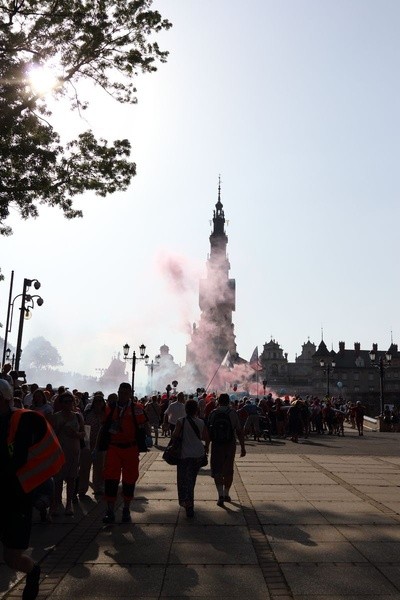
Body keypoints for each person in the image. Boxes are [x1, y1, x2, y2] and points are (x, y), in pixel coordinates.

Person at [0, 379, 64, 600]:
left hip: (17, 496)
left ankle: (33, 571)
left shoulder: (22, 420)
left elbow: (19, 458)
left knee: (12, 558)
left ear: (3, 398)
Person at [99, 382, 147, 524]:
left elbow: (143, 425)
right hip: (113, 448)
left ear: (130, 394)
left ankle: (126, 509)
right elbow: (103, 425)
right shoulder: (110, 408)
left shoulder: (137, 409)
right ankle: (110, 510)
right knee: (111, 479)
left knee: (129, 479)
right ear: (118, 392)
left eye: (127, 393)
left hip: (131, 449)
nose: (124, 395)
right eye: (122, 392)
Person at [206, 393, 246, 507]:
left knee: (217, 469)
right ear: (229, 401)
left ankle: (220, 495)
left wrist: (207, 446)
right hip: (230, 444)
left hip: (216, 444)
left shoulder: (213, 413)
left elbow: (209, 432)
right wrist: (243, 447)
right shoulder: (232, 413)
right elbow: (239, 431)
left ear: (218, 401)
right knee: (228, 469)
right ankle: (226, 493)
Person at [172, 398, 209, 518]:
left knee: (183, 481)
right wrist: (206, 448)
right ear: (196, 410)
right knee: (191, 481)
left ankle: (187, 504)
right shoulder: (201, 422)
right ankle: (189, 504)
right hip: (197, 455)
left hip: (183, 455)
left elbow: (174, 436)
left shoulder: (180, 421)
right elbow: (206, 437)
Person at [51, 391, 85, 516]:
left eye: (70, 401)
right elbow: (52, 435)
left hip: (74, 451)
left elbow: (83, 433)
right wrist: (60, 428)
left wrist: (75, 434)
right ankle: (57, 503)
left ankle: (69, 504)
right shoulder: (56, 416)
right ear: (61, 403)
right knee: (58, 479)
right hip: (60, 451)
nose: (68, 404)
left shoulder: (77, 416)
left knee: (71, 478)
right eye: (65, 402)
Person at [78, 393, 106, 498]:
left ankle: (98, 487)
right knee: (84, 469)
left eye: (100, 401)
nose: (98, 404)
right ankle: (82, 490)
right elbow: (83, 427)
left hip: (100, 446)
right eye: (96, 401)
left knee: (99, 468)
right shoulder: (88, 414)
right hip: (88, 445)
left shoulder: (105, 414)